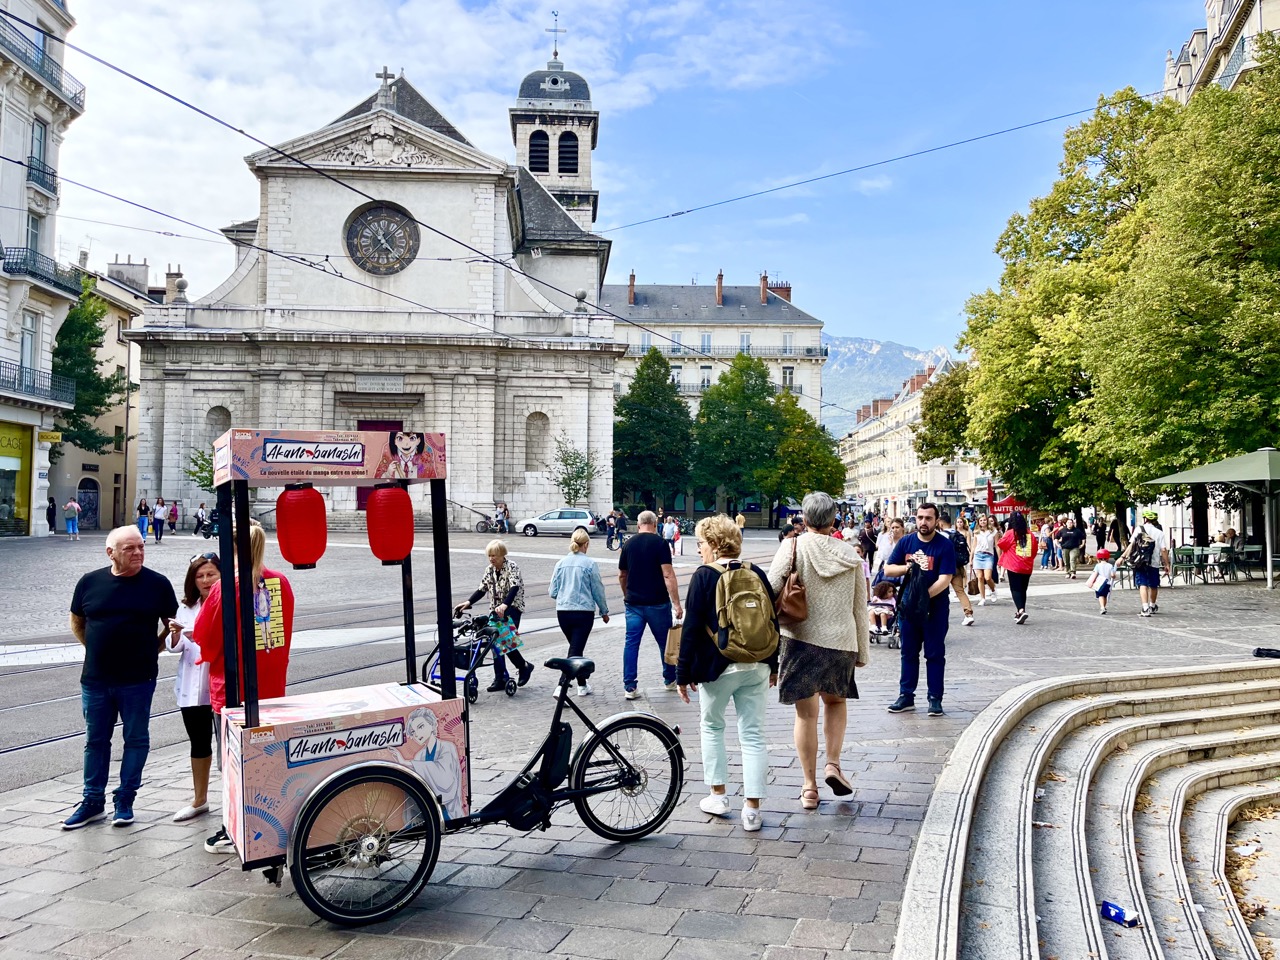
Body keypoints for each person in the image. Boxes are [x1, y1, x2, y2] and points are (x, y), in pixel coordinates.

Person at [64, 526, 178, 829]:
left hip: (138, 679)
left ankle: (125, 799)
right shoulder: (90, 582)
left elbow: (173, 623)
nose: (138, 553)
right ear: (110, 552)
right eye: (130, 548)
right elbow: (77, 620)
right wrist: (95, 647)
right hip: (96, 679)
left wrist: (155, 646)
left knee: (136, 739)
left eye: (141, 547)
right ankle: (92, 801)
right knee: (96, 741)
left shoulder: (157, 584)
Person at [194, 519, 295, 853]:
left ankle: (234, 826)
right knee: (266, 755)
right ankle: (268, 818)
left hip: (232, 687)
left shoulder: (226, 586)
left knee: (233, 760)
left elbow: (206, 636)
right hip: (270, 682)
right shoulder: (279, 582)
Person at [766, 491, 869, 810]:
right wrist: (861, 651)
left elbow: (770, 589)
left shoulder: (792, 546)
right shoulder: (850, 555)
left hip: (800, 639)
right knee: (836, 702)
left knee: (805, 714)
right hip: (841, 642)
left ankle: (809, 787)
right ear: (834, 520)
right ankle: (833, 765)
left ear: (805, 519)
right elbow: (860, 608)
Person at [678, 515, 777, 832]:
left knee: (712, 726)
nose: (698, 551)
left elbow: (691, 628)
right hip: (758, 662)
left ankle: (718, 795)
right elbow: (771, 620)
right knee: (753, 734)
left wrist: (682, 673)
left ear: (712, 544)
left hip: (718, 664)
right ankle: (752, 810)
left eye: (700, 544)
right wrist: (773, 664)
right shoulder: (756, 572)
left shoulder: (704, 576)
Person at [884, 503, 956, 717]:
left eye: (928, 518)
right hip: (909, 609)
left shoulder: (944, 545)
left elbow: (946, 579)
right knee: (908, 653)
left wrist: (923, 598)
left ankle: (935, 698)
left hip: (935, 609)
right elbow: (888, 568)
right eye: (920, 517)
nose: (923, 522)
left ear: (936, 521)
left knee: (934, 654)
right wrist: (908, 567)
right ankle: (906, 696)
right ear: (915, 519)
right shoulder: (907, 542)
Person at [165, 552, 220, 821]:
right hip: (192, 684)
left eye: (211, 574)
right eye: (200, 575)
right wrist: (175, 634)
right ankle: (200, 799)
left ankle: (236, 797)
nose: (206, 580)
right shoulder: (187, 606)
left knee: (228, 744)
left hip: (220, 682)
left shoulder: (228, 601)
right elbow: (175, 648)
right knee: (199, 742)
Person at [619, 510, 683, 699]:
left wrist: (626, 594)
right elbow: (668, 575)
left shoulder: (628, 544)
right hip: (657, 603)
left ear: (639, 525)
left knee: (631, 643)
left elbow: (622, 574)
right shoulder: (660, 544)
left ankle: (629, 687)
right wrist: (677, 604)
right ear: (655, 525)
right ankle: (670, 679)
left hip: (633, 603)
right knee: (665, 643)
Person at [455, 540, 535, 691]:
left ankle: (522, 667)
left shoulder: (512, 567)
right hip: (495, 609)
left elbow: (514, 588)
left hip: (512, 608)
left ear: (502, 555)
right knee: (495, 643)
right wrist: (468, 602)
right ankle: (501, 677)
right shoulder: (489, 569)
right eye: (489, 555)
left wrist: (505, 604)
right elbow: (482, 589)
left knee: (505, 640)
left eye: (494, 555)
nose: (491, 558)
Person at [548, 528, 609, 697]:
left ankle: (582, 685)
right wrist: (604, 611)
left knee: (576, 649)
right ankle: (561, 688)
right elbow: (598, 589)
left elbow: (552, 591)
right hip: (583, 612)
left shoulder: (560, 563)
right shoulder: (590, 564)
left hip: (563, 612)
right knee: (575, 651)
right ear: (586, 544)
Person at [1119, 509, 1170, 617]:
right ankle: (1152, 605)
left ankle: (1145, 608)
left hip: (1140, 561)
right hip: (1154, 561)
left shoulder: (1139, 529)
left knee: (1143, 584)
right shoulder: (1160, 533)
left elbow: (1132, 545)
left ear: (1145, 519)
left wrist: (1122, 557)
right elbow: (1164, 550)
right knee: (1153, 584)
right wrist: (1167, 564)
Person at [998, 511, 1038, 625]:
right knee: (1023, 589)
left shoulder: (1011, 533)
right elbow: (1034, 550)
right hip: (1027, 566)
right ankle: (1020, 611)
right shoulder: (1030, 534)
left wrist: (1006, 531)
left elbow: (1001, 544)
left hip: (1014, 565)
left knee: (1015, 589)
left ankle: (1021, 610)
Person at [939, 512, 975, 627]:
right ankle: (968, 614)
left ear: (940, 523)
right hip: (958, 566)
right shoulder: (957, 533)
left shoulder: (941, 535)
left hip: (944, 568)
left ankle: (939, 616)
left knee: (940, 592)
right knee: (960, 591)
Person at [972, 514, 999, 605]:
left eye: (984, 520)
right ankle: (982, 598)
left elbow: (997, 545)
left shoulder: (993, 531)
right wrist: (971, 558)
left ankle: (993, 590)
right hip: (978, 555)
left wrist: (1000, 558)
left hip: (988, 555)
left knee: (988, 577)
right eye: (981, 520)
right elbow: (974, 545)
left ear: (987, 521)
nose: (983, 522)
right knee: (980, 577)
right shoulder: (976, 532)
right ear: (978, 522)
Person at [1086, 548, 1115, 614]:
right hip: (1107, 583)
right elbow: (1112, 575)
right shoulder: (1110, 566)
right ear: (1108, 558)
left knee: (1100, 596)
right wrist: (1113, 576)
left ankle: (1102, 607)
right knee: (1105, 595)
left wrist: (1091, 582)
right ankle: (1104, 607)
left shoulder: (1098, 566)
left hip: (1099, 583)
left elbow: (1095, 574)